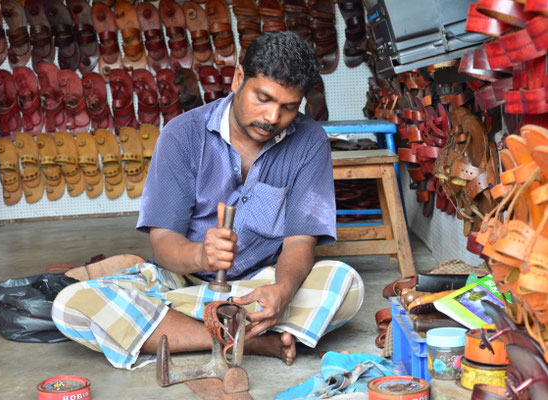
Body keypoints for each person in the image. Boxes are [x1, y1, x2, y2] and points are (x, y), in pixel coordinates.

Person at [52, 31, 364, 370]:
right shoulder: (181, 134)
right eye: (263, 98)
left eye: (288, 107)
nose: (273, 118)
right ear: (238, 79)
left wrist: (284, 290)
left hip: (259, 287)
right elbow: (163, 243)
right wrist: (202, 254)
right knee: (70, 304)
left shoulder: (310, 141)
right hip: (184, 285)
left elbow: (300, 241)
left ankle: (210, 327)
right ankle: (253, 340)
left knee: (346, 284)